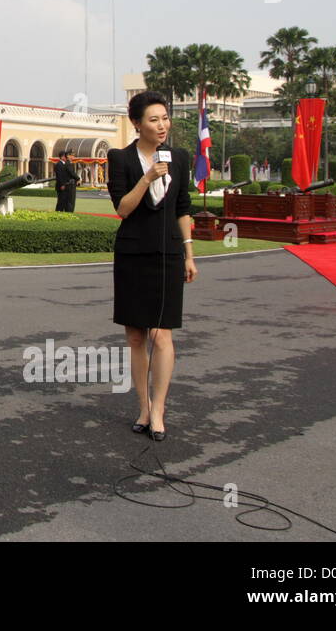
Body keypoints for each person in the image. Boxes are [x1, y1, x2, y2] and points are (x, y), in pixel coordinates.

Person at [107, 90, 197, 442]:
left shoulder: (179, 157)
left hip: (168, 254)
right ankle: (143, 407)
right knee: (135, 336)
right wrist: (146, 178)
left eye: (165, 118)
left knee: (162, 334)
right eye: (153, 119)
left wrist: (189, 254)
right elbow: (123, 209)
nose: (162, 125)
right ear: (137, 124)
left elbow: (183, 207)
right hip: (133, 254)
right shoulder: (121, 158)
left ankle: (159, 410)